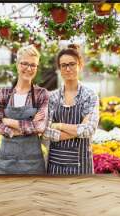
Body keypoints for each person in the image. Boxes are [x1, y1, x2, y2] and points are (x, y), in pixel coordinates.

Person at [42, 44, 99, 175]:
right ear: (59, 69)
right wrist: (78, 129)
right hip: (54, 164)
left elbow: (89, 130)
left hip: (81, 163)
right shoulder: (52, 97)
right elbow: (45, 131)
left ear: (80, 65)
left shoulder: (89, 95)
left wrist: (58, 125)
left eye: (72, 64)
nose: (68, 69)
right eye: (63, 65)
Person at [0, 45, 49, 174]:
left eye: (33, 65)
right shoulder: (4, 93)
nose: (29, 68)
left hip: (33, 164)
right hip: (6, 163)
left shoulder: (41, 94)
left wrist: (8, 122)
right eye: (25, 63)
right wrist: (29, 126)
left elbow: (40, 127)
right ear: (17, 65)